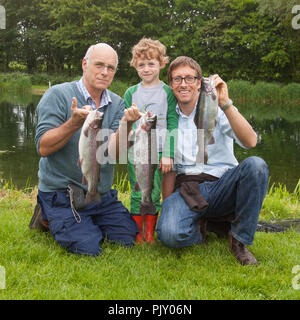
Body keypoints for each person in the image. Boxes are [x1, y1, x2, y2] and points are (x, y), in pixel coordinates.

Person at [29, 43, 142, 256]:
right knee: (88, 247)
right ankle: (47, 214)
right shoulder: (58, 94)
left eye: (110, 68)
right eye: (99, 65)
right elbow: (43, 147)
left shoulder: (117, 103)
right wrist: (73, 123)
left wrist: (127, 125)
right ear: (84, 64)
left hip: (100, 194)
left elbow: (114, 154)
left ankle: (82, 219)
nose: (105, 72)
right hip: (63, 194)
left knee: (126, 239)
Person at [156, 56, 269, 265]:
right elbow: (168, 169)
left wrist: (226, 103)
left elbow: (251, 141)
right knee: (169, 234)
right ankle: (202, 228)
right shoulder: (166, 120)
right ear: (171, 84)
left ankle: (239, 241)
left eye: (189, 78)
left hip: (222, 184)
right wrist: (168, 205)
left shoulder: (216, 108)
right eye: (177, 79)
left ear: (199, 83)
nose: (183, 84)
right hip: (187, 188)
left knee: (256, 166)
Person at [124, 38, 178, 243]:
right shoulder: (131, 92)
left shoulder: (167, 92)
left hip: (159, 152)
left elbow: (173, 124)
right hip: (136, 151)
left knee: (154, 191)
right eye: (141, 65)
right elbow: (126, 122)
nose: (146, 69)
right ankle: (138, 233)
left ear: (161, 64)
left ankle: (150, 233)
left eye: (151, 64)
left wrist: (168, 154)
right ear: (135, 66)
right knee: (137, 190)